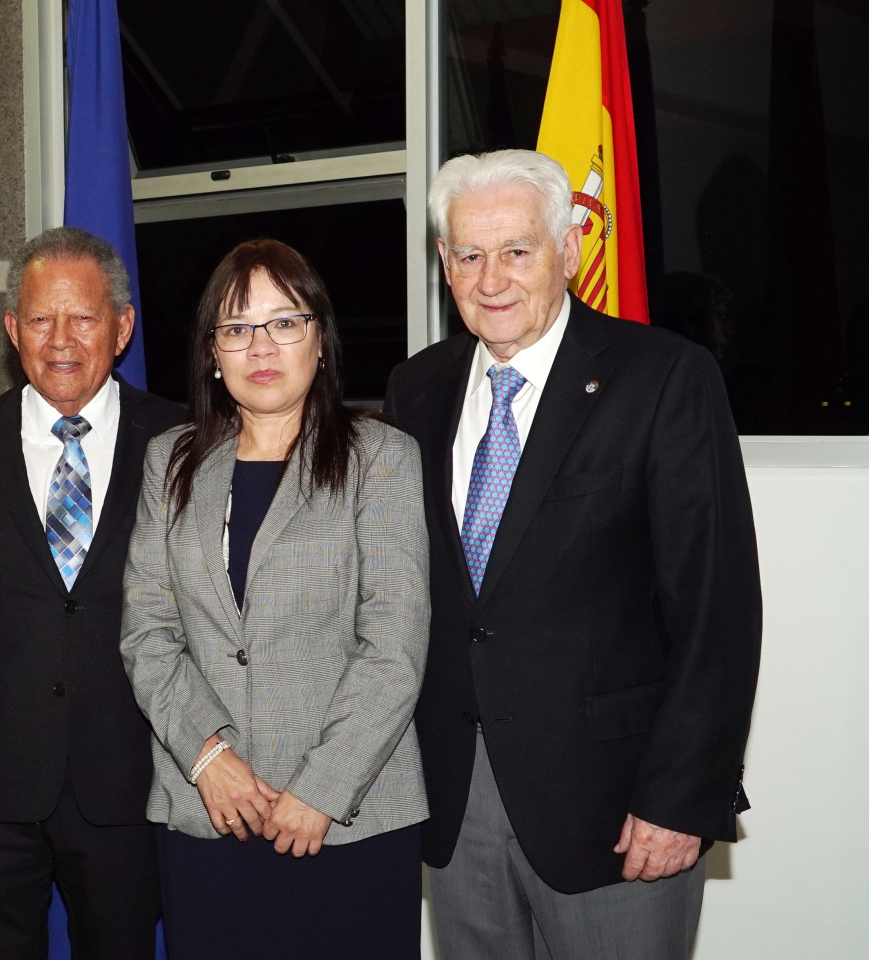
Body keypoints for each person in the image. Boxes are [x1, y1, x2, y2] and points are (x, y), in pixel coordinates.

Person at [383, 149, 761, 960]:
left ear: (571, 251)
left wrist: (680, 797)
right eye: (469, 255)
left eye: (518, 250)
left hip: (620, 805)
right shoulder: (415, 390)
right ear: (444, 265)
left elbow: (716, 609)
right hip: (455, 798)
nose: (492, 279)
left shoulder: (664, 377)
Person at [121, 239, 431, 958]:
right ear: (211, 352)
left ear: (319, 340)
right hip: (209, 813)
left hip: (349, 817)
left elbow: (393, 646)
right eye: (236, 328)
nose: (260, 346)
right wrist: (207, 757)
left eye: (284, 322)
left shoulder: (380, 457)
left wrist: (321, 788)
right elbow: (148, 631)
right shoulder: (169, 460)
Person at [0, 227, 183, 959]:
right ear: (11, 329)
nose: (61, 339)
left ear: (121, 328)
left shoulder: (182, 442)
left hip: (132, 779)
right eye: (39, 319)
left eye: (83, 318)